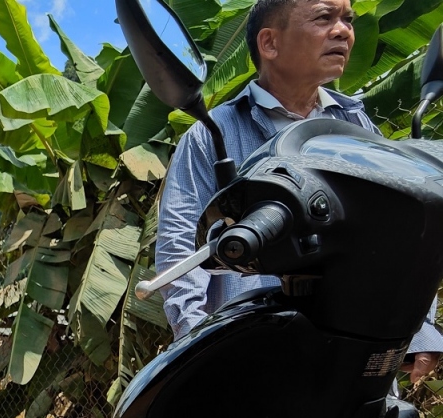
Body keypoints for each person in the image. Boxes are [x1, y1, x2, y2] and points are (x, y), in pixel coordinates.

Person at [157, 0, 443, 381]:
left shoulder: (357, 125)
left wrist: (418, 331)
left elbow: (405, 234)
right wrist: (199, 346)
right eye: (324, 18)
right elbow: (180, 249)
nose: (343, 31)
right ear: (270, 43)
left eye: (348, 20)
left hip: (353, 362)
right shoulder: (212, 136)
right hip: (249, 363)